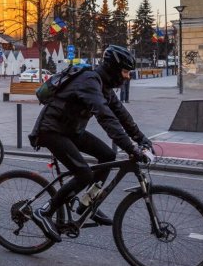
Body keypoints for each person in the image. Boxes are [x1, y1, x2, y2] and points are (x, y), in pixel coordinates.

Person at [28, 45, 152, 243]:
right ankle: (44, 211)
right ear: (114, 68)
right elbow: (105, 117)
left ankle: (87, 203)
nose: (127, 76)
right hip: (51, 130)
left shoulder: (103, 85)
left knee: (108, 156)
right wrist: (130, 148)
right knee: (84, 173)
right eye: (125, 71)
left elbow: (121, 114)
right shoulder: (89, 81)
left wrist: (140, 138)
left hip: (71, 130)